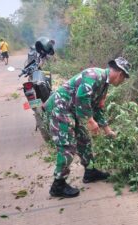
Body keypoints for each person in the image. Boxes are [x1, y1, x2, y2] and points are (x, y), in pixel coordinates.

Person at [44, 57, 131, 198]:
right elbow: (82, 97)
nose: (123, 82)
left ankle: (90, 172)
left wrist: (107, 129)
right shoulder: (94, 75)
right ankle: (57, 185)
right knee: (68, 147)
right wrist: (90, 120)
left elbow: (97, 107)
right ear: (120, 75)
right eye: (124, 78)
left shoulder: (104, 84)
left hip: (73, 111)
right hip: (61, 109)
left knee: (84, 140)